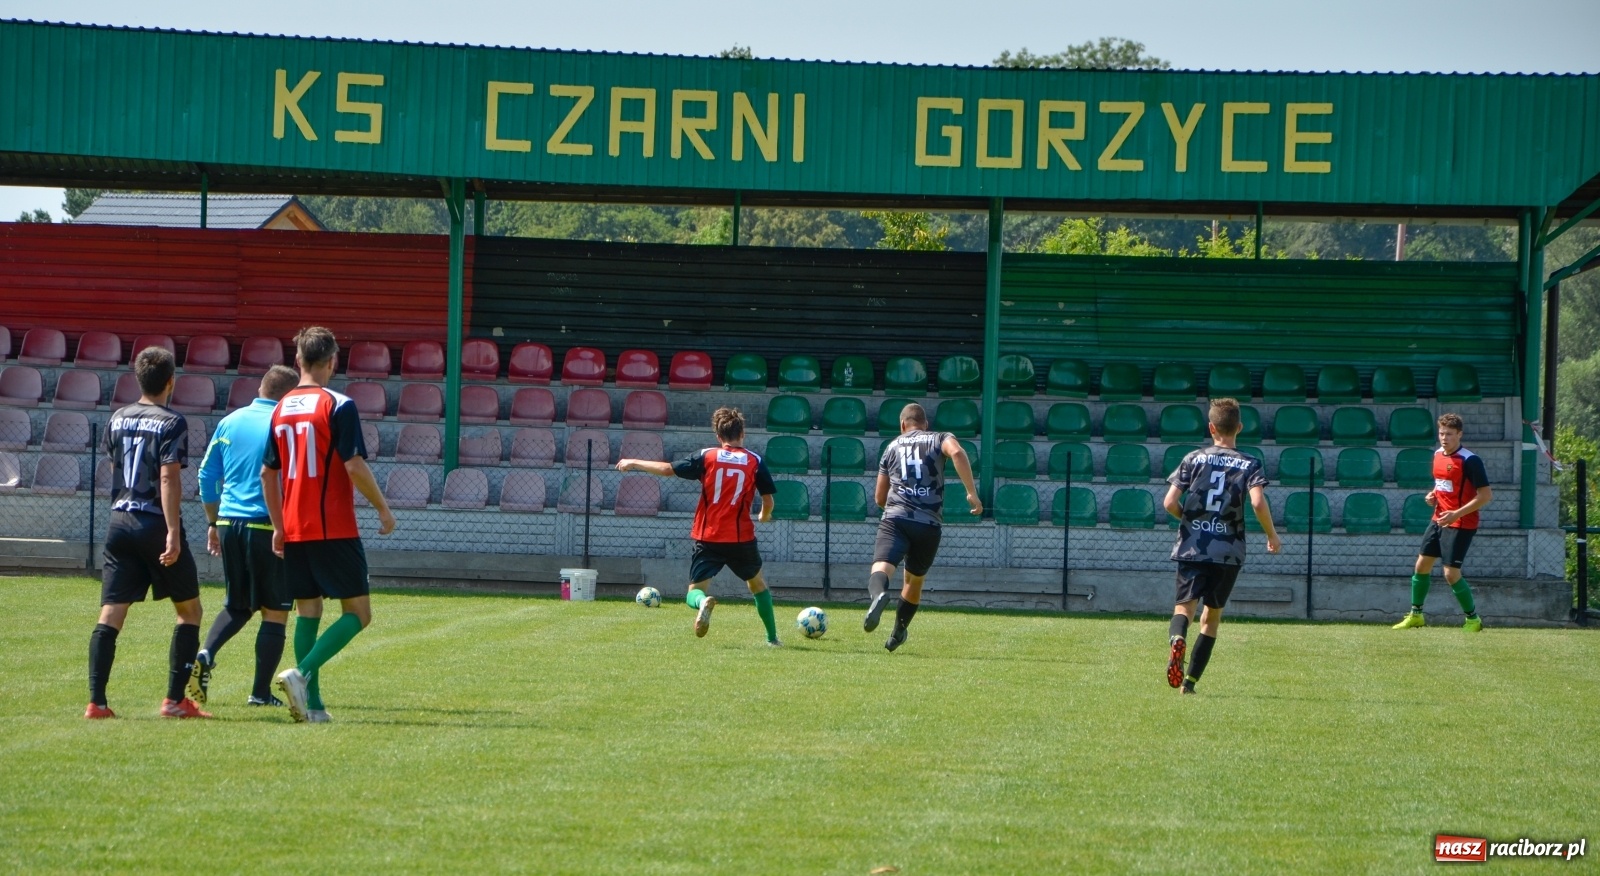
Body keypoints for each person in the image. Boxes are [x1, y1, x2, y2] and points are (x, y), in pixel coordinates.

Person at [263, 327, 396, 723]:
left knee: (309, 611)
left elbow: (267, 474)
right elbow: (353, 465)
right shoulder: (338, 404)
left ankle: (314, 707)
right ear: (333, 361)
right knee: (359, 613)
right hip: (333, 527)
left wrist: (278, 525)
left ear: (298, 360)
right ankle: (301, 674)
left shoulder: (280, 407)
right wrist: (383, 509)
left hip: (295, 527)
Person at [86, 345, 210, 719]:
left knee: (111, 613)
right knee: (189, 611)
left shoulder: (118, 417)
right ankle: (174, 701)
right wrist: (173, 531)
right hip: (154, 524)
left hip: (119, 521)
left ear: (137, 379)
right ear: (171, 382)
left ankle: (97, 703)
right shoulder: (173, 422)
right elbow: (169, 475)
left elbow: (114, 466)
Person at [617, 407, 780, 645]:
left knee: (694, 590)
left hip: (709, 536)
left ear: (718, 436)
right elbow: (768, 500)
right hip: (741, 537)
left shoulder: (707, 456)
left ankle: (702, 602)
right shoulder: (754, 461)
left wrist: (633, 462)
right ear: (742, 433)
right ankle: (772, 638)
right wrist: (765, 515)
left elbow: (667, 470)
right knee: (757, 585)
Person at [189, 364, 301, 708]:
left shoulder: (230, 421)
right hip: (269, 525)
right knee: (276, 611)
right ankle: (260, 693)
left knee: (238, 604)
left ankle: (205, 654)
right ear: (289, 395)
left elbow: (206, 475)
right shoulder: (286, 425)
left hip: (228, 523)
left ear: (261, 389)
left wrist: (212, 521)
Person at [1162, 398, 1282, 694]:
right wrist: (1271, 535)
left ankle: (1177, 639)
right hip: (1227, 550)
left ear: (1211, 427)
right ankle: (1189, 684)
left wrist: (1188, 519)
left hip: (1193, 545)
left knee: (1184, 608)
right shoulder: (1250, 463)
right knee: (1211, 618)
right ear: (1239, 427)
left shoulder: (1193, 458)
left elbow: (1169, 503)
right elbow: (1256, 501)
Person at [864, 402, 982, 652]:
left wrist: (897, 506)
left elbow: (878, 498)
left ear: (902, 425)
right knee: (914, 581)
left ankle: (878, 596)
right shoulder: (940, 438)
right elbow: (958, 453)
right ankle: (898, 631)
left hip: (896, 517)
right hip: (928, 523)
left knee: (882, 567)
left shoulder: (892, 446)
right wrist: (971, 493)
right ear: (925, 424)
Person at [1392, 412, 1491, 632]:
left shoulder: (1470, 460)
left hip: (1461, 523)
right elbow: (1443, 484)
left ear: (1459, 434)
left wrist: (1456, 513)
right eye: (1441, 433)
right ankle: (1416, 615)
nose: (1444, 438)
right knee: (1422, 564)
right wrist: (1433, 495)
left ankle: (1473, 620)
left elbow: (1485, 496)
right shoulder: (1438, 455)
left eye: (1449, 434)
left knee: (1450, 573)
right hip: (1438, 519)